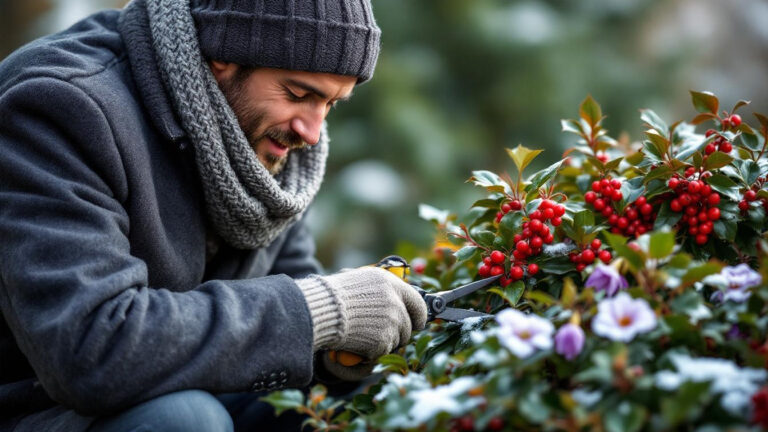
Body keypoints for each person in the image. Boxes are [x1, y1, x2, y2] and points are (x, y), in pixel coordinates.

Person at [0, 0, 428, 430]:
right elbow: (90, 351)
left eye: (332, 104)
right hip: (40, 409)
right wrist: (319, 311)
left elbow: (288, 294)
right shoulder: (61, 107)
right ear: (222, 54)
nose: (312, 133)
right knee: (184, 421)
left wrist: (340, 347)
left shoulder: (264, 146)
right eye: (300, 94)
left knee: (382, 390)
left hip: (190, 387)